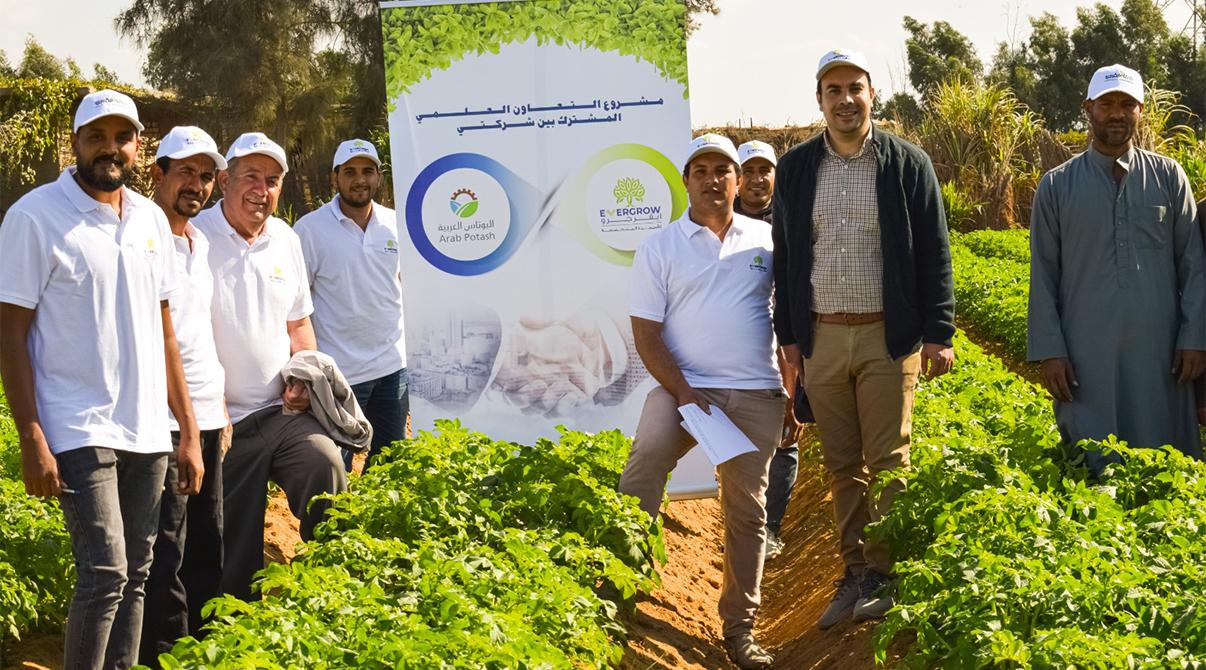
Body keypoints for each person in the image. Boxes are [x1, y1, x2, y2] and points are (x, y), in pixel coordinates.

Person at [0, 90, 202, 670]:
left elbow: (165, 330)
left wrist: (187, 430)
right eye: (96, 136)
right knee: (106, 570)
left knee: (137, 572)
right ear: (76, 143)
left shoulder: (148, 220)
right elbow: (11, 334)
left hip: (146, 428)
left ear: (139, 146)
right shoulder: (35, 217)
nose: (109, 149)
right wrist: (31, 435)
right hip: (77, 424)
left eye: (122, 138)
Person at [772, 49, 955, 629]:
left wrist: (939, 332)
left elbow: (934, 249)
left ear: (872, 95)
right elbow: (786, 258)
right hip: (823, 336)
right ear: (819, 100)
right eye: (833, 90)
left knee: (888, 459)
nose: (845, 99)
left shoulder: (907, 163)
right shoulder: (798, 168)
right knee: (840, 465)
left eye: (855, 88)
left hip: (886, 337)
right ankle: (852, 573)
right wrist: (791, 338)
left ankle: (885, 572)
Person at [620, 134, 785, 670]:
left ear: (739, 182)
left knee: (746, 510)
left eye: (724, 170)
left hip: (756, 392)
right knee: (644, 462)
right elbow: (646, 334)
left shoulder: (766, 239)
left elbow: (791, 322)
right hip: (682, 389)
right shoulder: (660, 247)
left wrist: (792, 388)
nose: (713, 179)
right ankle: (621, 584)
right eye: (701, 170)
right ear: (686, 180)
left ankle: (740, 630)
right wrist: (685, 392)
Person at [193, 132, 348, 601]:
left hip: (281, 413)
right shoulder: (195, 236)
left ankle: (329, 578)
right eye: (251, 177)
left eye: (273, 180)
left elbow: (298, 322)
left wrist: (302, 374)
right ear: (225, 181)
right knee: (232, 543)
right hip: (224, 421)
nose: (262, 190)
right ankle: (230, 618)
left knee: (326, 464)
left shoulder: (285, 238)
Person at [1028, 64, 1205, 472]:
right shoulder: (1056, 186)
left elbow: (1193, 266)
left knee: (1165, 466)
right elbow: (1044, 275)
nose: (1117, 113)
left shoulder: (1170, 177)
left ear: (1140, 110)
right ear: (1088, 108)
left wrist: (1195, 336)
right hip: (1086, 357)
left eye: (1128, 104)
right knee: (1094, 465)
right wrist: (1050, 351)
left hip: (1162, 357)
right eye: (1107, 103)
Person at [139, 126, 231, 666]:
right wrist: (186, 425)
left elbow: (198, 332)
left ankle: (209, 647)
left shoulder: (201, 243)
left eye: (204, 175)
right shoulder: (144, 239)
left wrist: (217, 411)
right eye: (184, 172)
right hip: (167, 418)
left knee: (205, 542)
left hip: (208, 414)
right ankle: (168, 654)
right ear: (157, 173)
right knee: (165, 549)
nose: (195, 184)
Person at [294, 139, 408, 472]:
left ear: (379, 177)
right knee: (335, 470)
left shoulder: (395, 223)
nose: (360, 179)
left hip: (392, 368)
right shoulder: (310, 230)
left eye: (367, 171)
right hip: (339, 373)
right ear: (334, 178)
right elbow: (298, 303)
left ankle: (380, 526)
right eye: (350, 172)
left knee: (390, 466)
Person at [734, 140, 804, 561]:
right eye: (750, 171)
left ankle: (769, 529)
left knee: (787, 434)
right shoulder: (719, 221)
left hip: (785, 341)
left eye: (766, 171)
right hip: (736, 344)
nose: (758, 180)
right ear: (736, 179)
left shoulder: (792, 222)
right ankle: (735, 523)